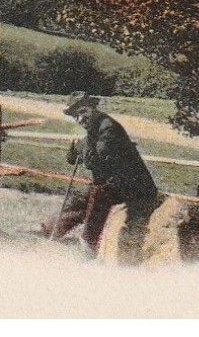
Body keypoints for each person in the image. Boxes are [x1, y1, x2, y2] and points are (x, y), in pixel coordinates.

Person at [46, 92, 160, 255]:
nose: (80, 119)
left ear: (93, 108)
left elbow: (95, 161)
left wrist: (84, 145)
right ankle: (50, 233)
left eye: (83, 112)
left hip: (135, 186)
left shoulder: (108, 128)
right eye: (75, 117)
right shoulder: (93, 129)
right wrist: (74, 146)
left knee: (99, 194)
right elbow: (72, 158)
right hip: (114, 183)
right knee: (79, 201)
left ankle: (88, 246)